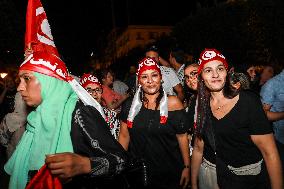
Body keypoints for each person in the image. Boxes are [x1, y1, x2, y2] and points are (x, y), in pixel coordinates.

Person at [4, 52, 128, 189]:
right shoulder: (35, 117)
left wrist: (85, 165)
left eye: (27, 78)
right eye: (20, 80)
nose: (19, 87)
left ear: (48, 80)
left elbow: (120, 161)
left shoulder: (80, 113)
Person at [191, 48, 283, 189]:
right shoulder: (202, 104)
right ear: (201, 76)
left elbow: (270, 153)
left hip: (249, 178)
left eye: (220, 68)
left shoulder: (248, 101)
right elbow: (198, 147)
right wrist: (193, 184)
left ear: (227, 73)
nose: (215, 74)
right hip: (219, 177)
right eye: (208, 70)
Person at [119, 57, 190, 189]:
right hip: (140, 173)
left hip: (169, 172)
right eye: (145, 77)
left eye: (154, 75)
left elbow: (182, 136)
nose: (150, 81)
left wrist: (187, 166)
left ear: (161, 78)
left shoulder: (173, 103)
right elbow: (124, 136)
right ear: (139, 81)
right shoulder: (129, 107)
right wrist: (119, 164)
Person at [80, 73, 121, 140]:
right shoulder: (77, 116)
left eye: (98, 89)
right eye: (89, 90)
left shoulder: (111, 116)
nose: (94, 93)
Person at [260, 69, 284, 175]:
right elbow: (263, 116)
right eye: (267, 71)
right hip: (279, 138)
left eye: (270, 71)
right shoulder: (272, 84)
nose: (269, 73)